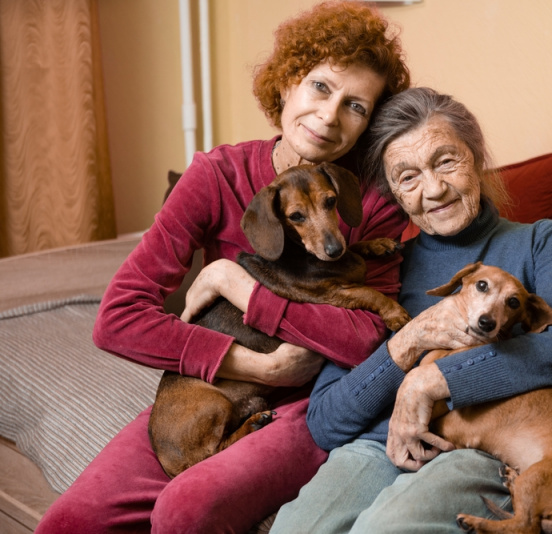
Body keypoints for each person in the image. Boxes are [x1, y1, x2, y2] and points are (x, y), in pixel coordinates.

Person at [35, 2, 410, 533]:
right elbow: (116, 319)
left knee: (186, 510)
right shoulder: (216, 176)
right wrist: (256, 366)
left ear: (369, 122)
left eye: (355, 105)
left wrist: (237, 284)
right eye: (320, 87)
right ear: (287, 84)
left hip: (312, 403)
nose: (329, 116)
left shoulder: (370, 198)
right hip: (218, 383)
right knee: (68, 523)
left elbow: (369, 339)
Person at [270, 87, 552, 533]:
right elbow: (325, 420)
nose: (435, 189)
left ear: (476, 157)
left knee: (382, 530)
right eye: (408, 177)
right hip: (374, 445)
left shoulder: (541, 240)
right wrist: (408, 341)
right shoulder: (379, 267)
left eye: (446, 162)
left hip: (479, 446)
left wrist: (430, 380)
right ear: (394, 194)